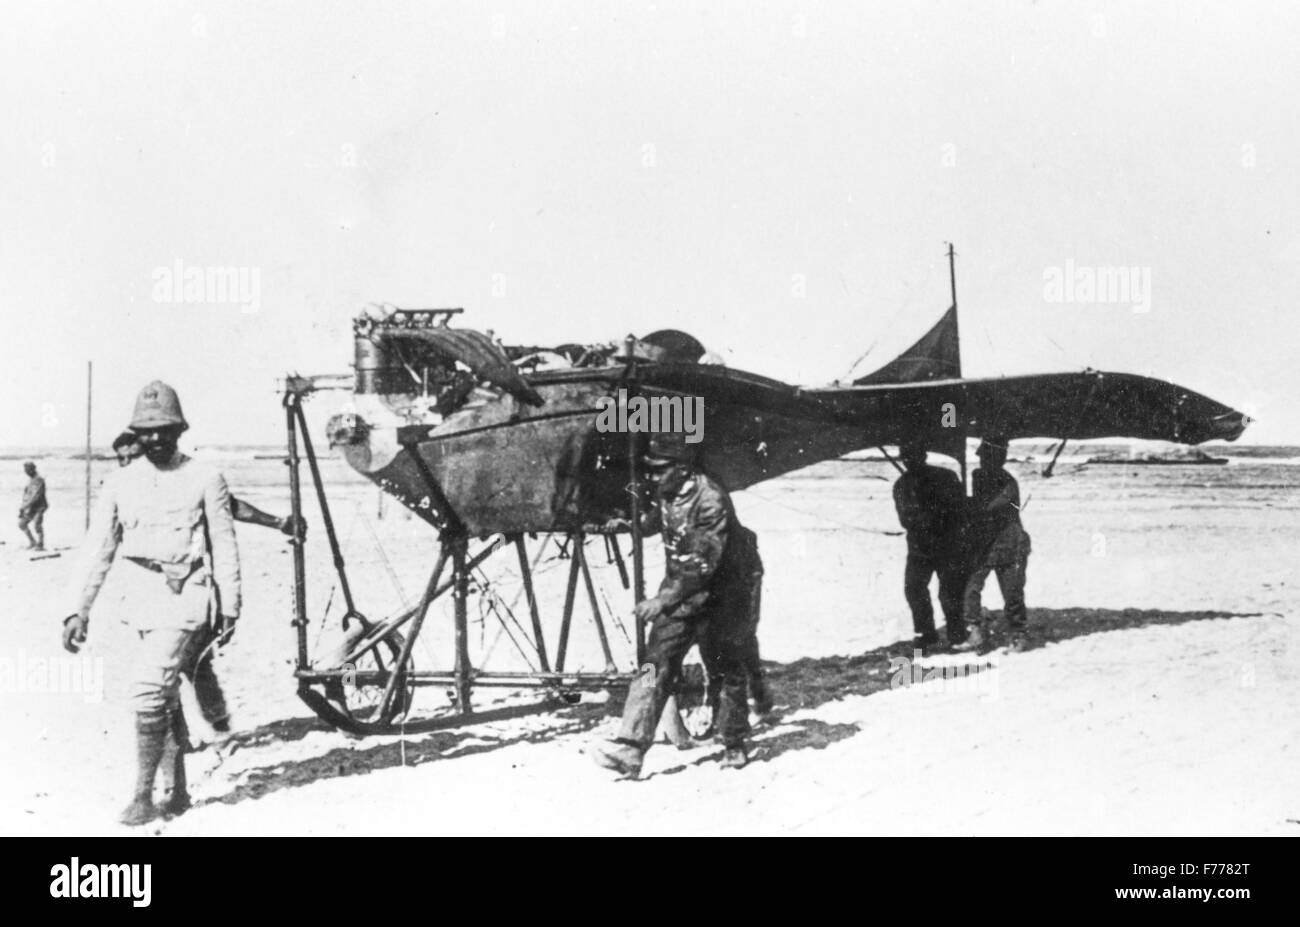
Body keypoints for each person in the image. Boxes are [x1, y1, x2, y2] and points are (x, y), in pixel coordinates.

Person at [62, 381, 241, 826]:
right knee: (166, 696)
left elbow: (224, 543)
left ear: (180, 429)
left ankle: (142, 797)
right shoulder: (120, 482)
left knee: (145, 690)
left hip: (189, 596)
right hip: (140, 600)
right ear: (135, 434)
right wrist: (77, 609)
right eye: (147, 430)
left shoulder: (205, 477)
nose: (156, 438)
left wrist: (231, 604)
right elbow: (99, 549)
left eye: (164, 429)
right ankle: (177, 790)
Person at [111, 429, 304, 733]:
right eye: (121, 459)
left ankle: (217, 726)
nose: (128, 464)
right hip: (147, 592)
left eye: (132, 457)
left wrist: (278, 522)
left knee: (194, 664)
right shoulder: (126, 489)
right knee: (165, 668)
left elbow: (231, 507)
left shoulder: (186, 483)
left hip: (189, 587)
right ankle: (185, 735)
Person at [590, 432, 758, 777]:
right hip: (681, 596)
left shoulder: (710, 500)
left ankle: (734, 743)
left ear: (682, 467)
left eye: (658, 469)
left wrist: (660, 601)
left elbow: (702, 565)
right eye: (649, 469)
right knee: (654, 666)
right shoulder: (667, 489)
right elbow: (655, 522)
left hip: (723, 596)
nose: (651, 476)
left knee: (726, 671)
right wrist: (628, 524)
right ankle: (630, 748)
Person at [957, 438, 1031, 654]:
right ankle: (975, 630)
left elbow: (989, 507)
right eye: (981, 456)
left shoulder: (1008, 483)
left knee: (1012, 594)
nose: (981, 461)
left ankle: (1018, 634)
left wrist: (967, 507)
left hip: (1011, 544)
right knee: (970, 587)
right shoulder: (978, 476)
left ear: (999, 458)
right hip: (985, 544)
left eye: (987, 456)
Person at [892, 442, 968, 652]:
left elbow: (959, 509)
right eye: (905, 457)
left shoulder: (946, 477)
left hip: (948, 545)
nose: (909, 461)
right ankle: (927, 633)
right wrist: (923, 520)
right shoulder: (901, 485)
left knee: (950, 591)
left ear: (923, 455)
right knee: (914, 588)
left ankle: (956, 632)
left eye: (912, 455)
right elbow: (905, 518)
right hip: (920, 548)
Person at [18, 462, 48, 550]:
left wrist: (25, 506)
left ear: (32, 469)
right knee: (22, 524)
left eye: (27, 470)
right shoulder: (30, 480)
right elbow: (27, 495)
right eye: (25, 470)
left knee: (37, 524)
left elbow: (36, 496)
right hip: (29, 507)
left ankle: (40, 544)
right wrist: (23, 507)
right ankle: (32, 542)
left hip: (39, 506)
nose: (26, 472)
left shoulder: (38, 480)